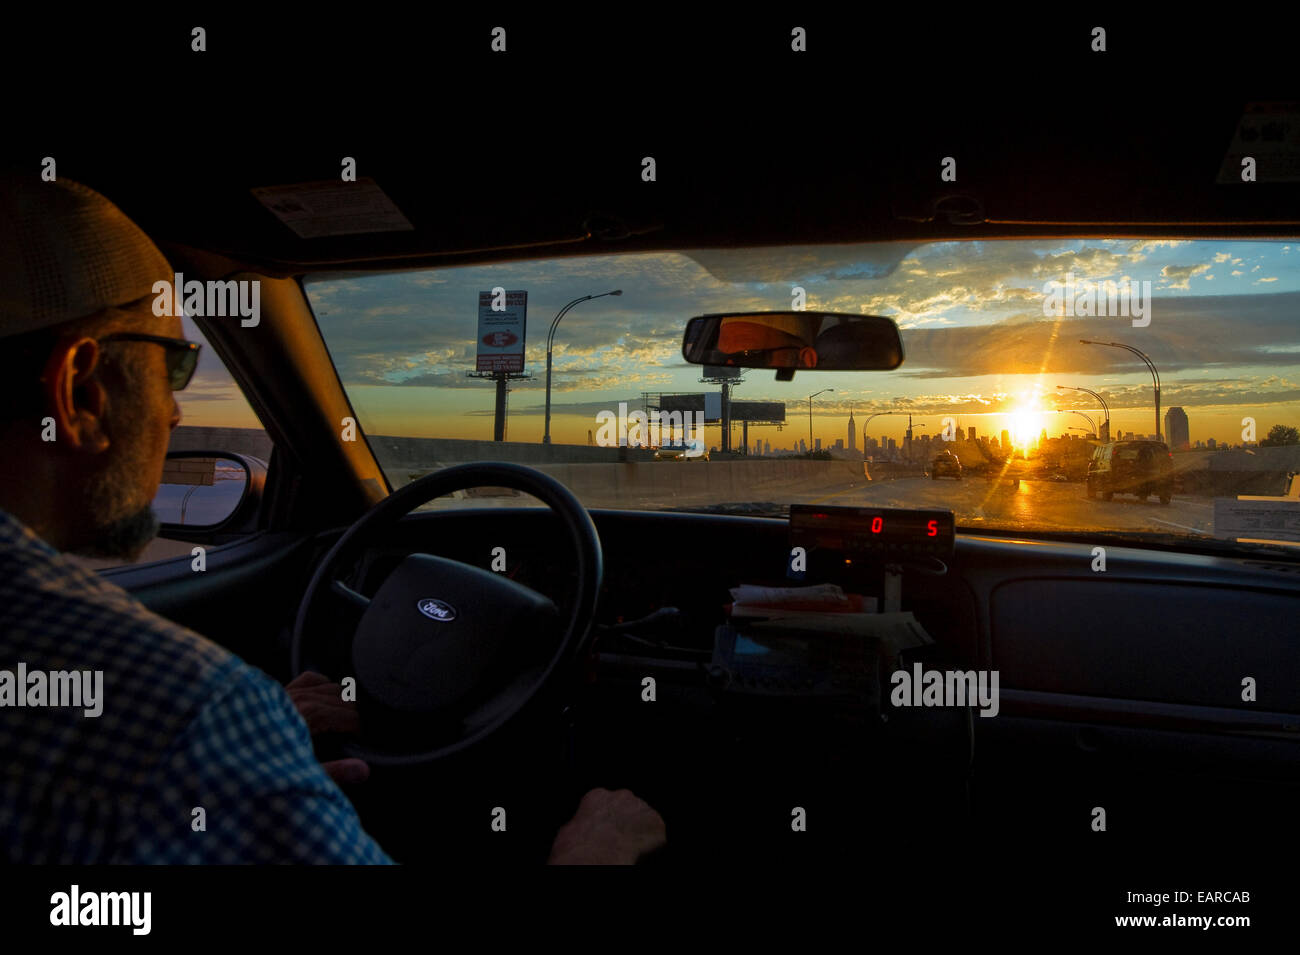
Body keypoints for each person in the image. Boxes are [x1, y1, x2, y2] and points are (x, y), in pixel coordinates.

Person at [0, 174, 665, 864]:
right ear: (79, 388)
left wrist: (249, 787)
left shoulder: (188, 734)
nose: (174, 413)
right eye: (173, 367)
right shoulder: (188, 711)